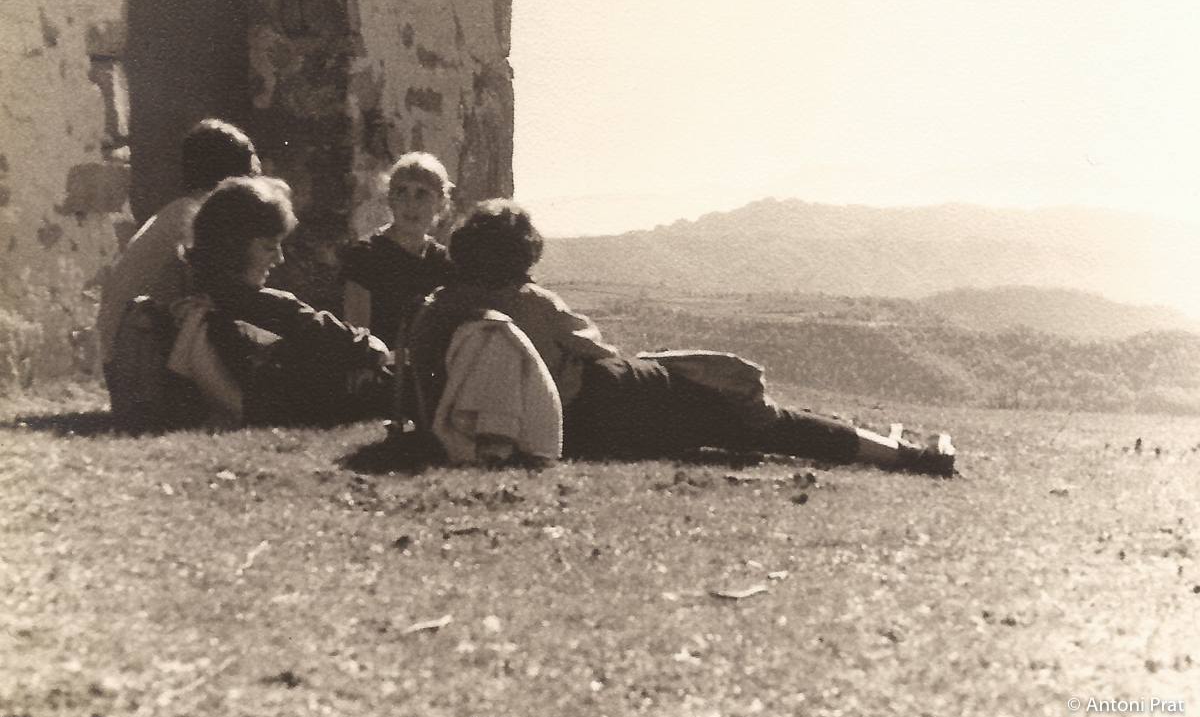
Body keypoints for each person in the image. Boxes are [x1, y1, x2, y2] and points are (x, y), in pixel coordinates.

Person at [406, 200, 956, 475]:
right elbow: (597, 349)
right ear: (524, 253)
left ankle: (884, 443)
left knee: (739, 418)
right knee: (754, 419)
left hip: (576, 434)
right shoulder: (531, 302)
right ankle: (908, 456)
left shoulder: (435, 307)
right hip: (612, 398)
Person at [176, 176, 393, 427]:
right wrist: (368, 346)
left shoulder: (208, 300)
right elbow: (317, 329)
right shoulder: (250, 305)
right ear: (234, 247)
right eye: (269, 247)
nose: (279, 258)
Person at [97, 118, 260, 400]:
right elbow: (218, 294)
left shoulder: (182, 210)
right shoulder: (196, 216)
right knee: (212, 316)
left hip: (126, 361)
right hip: (139, 364)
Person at [341, 152, 456, 350]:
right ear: (390, 200)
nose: (411, 204)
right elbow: (357, 335)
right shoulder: (366, 256)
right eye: (402, 192)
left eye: (422, 193)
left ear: (440, 203)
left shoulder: (443, 262)